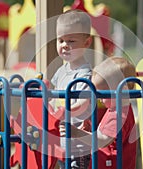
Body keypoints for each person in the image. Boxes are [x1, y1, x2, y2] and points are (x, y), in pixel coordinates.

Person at [59, 57, 137, 169]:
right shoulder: (117, 109)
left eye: (103, 94)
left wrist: (76, 133)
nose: (99, 98)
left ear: (122, 90)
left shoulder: (119, 114)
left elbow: (102, 140)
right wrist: (87, 131)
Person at [50, 10, 93, 169]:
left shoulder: (85, 75)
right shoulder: (61, 71)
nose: (64, 45)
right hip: (62, 142)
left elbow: (83, 103)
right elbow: (52, 96)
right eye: (60, 40)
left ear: (87, 43)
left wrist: (64, 110)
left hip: (78, 146)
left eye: (71, 41)